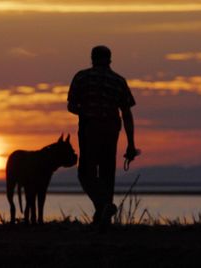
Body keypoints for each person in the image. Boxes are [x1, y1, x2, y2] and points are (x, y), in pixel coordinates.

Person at [67, 45, 139, 227]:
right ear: (110, 59)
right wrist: (131, 143)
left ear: (92, 58)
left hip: (89, 129)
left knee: (85, 173)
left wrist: (85, 112)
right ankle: (102, 216)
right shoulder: (119, 81)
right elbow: (127, 113)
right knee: (107, 173)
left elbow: (71, 106)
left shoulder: (81, 77)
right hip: (111, 130)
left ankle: (104, 207)